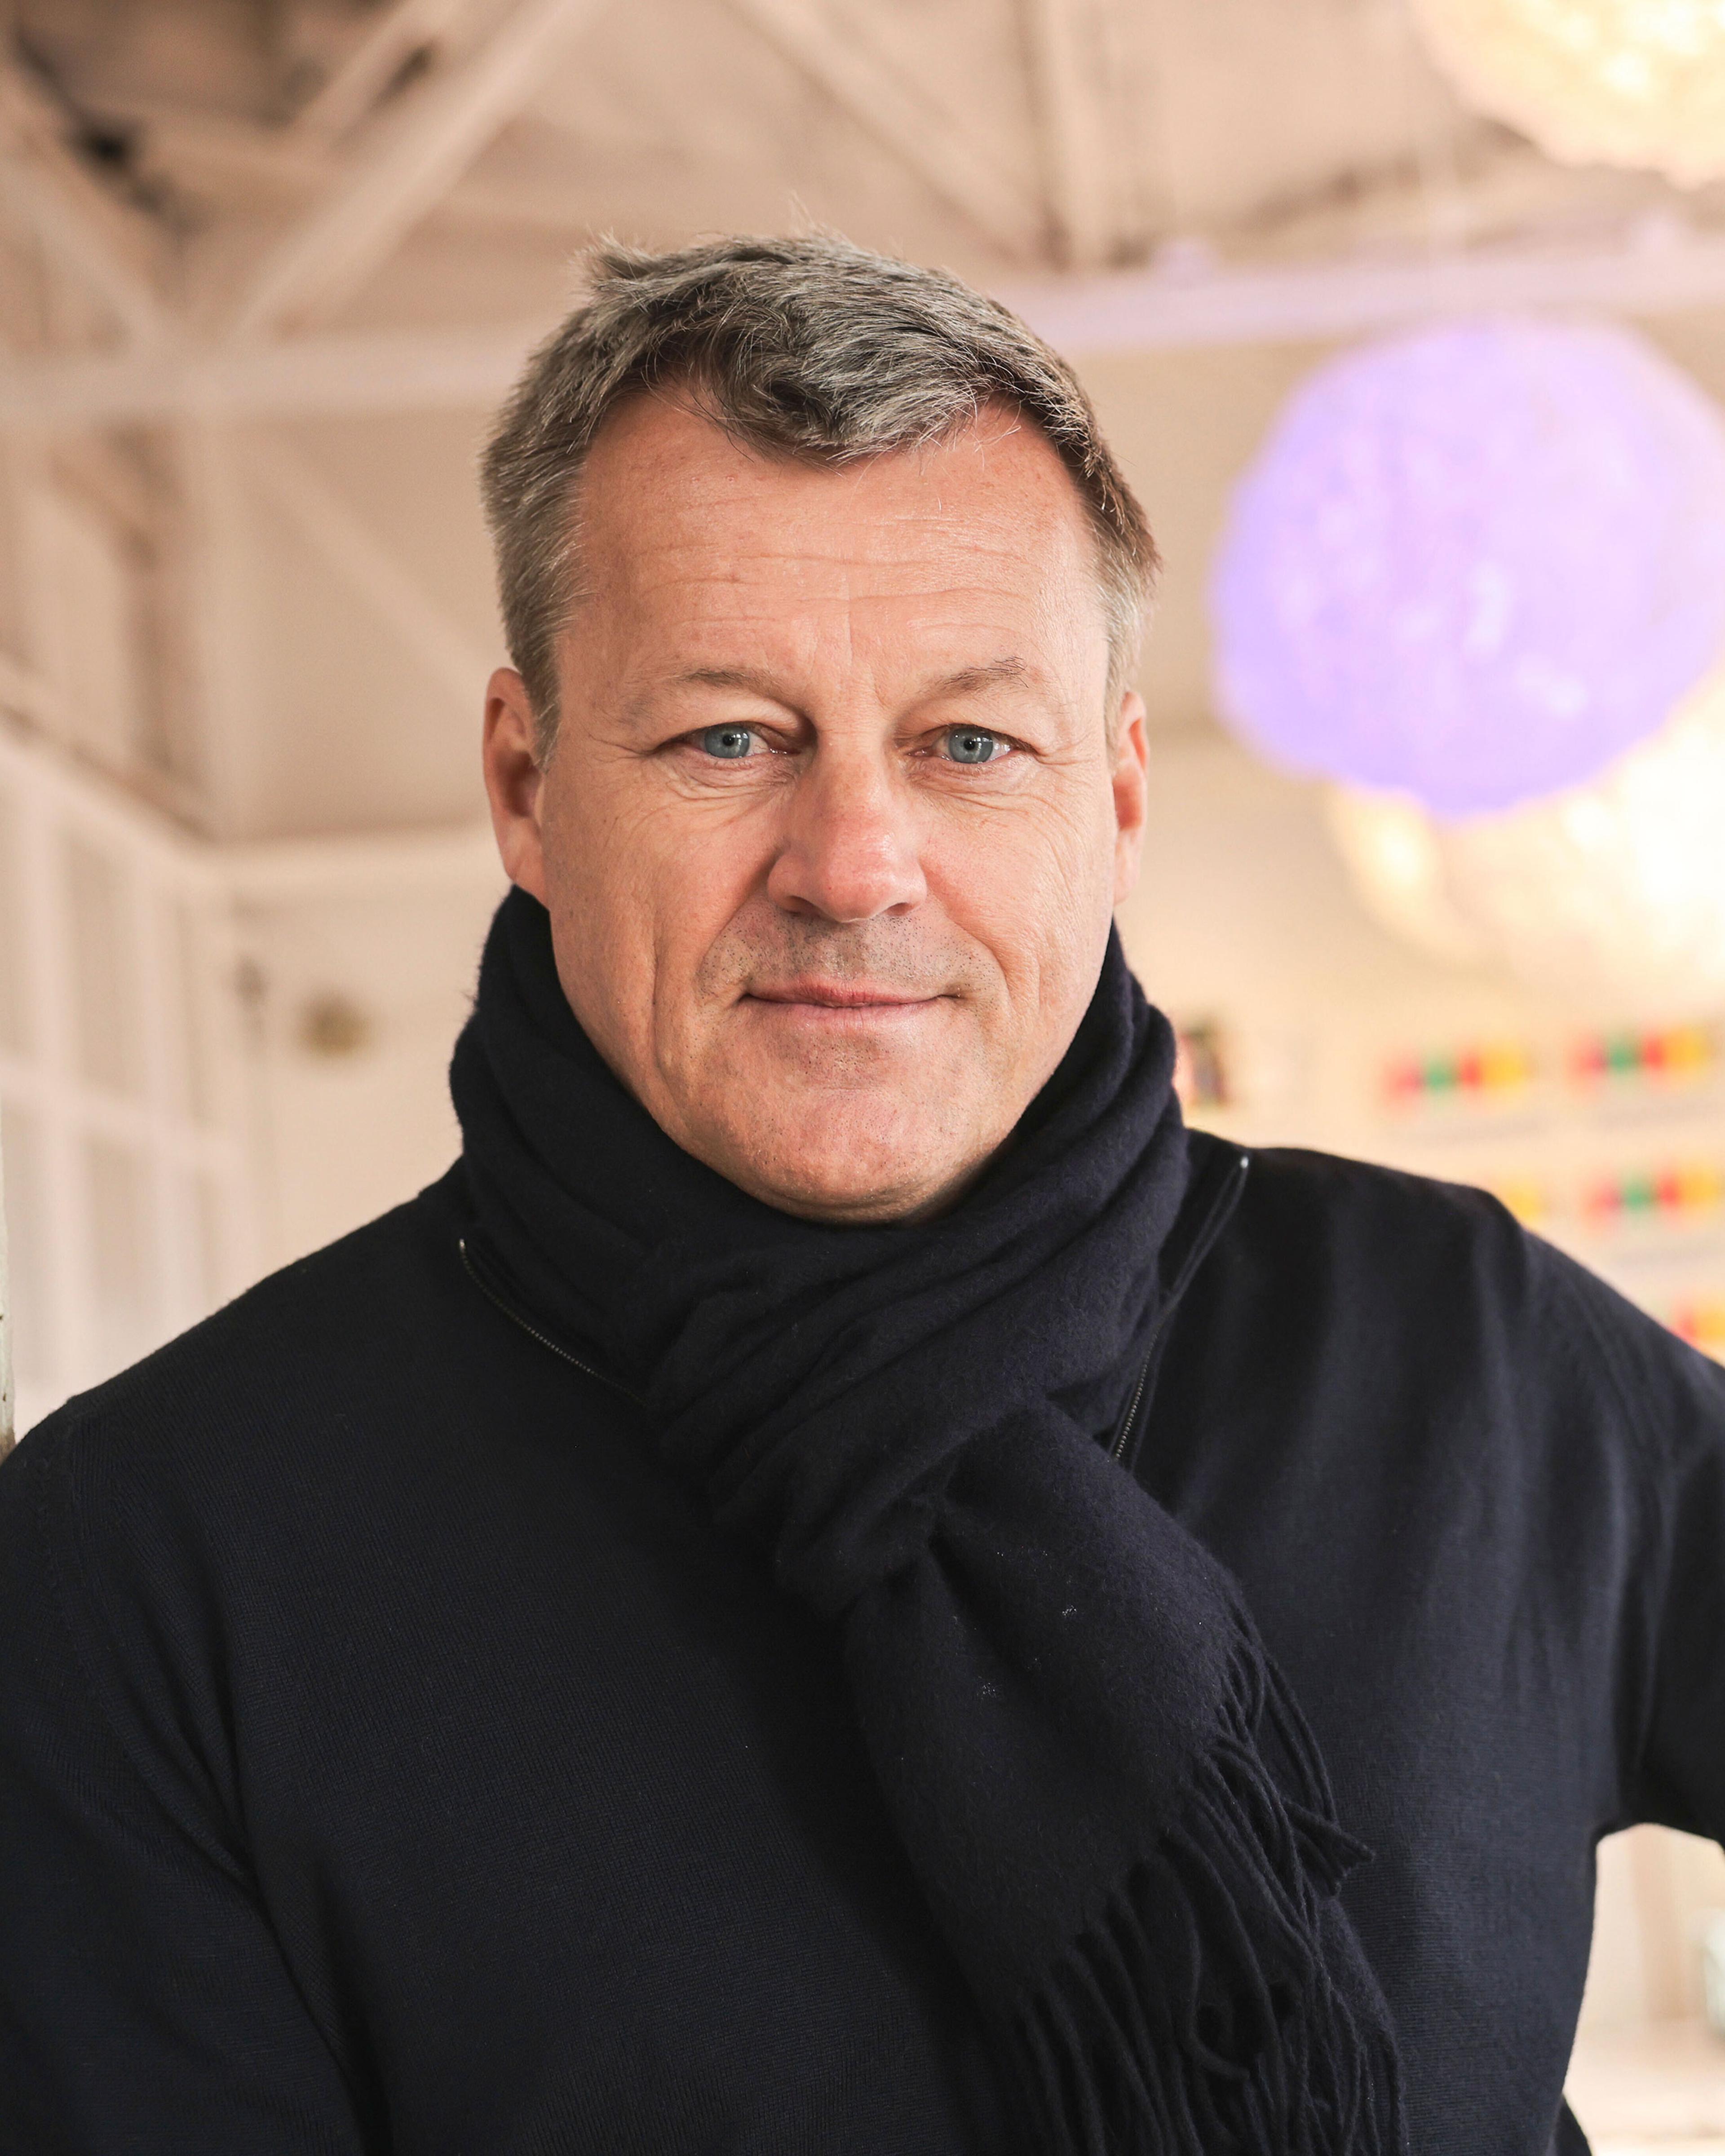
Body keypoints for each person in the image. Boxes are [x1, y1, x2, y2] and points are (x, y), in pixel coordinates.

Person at [0, 234, 1720, 2156]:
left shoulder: (1462, 1352)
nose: (854, 864)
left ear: (1114, 798)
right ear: (524, 784)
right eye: (728, 737)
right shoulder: (149, 1559)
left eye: (969, 743)